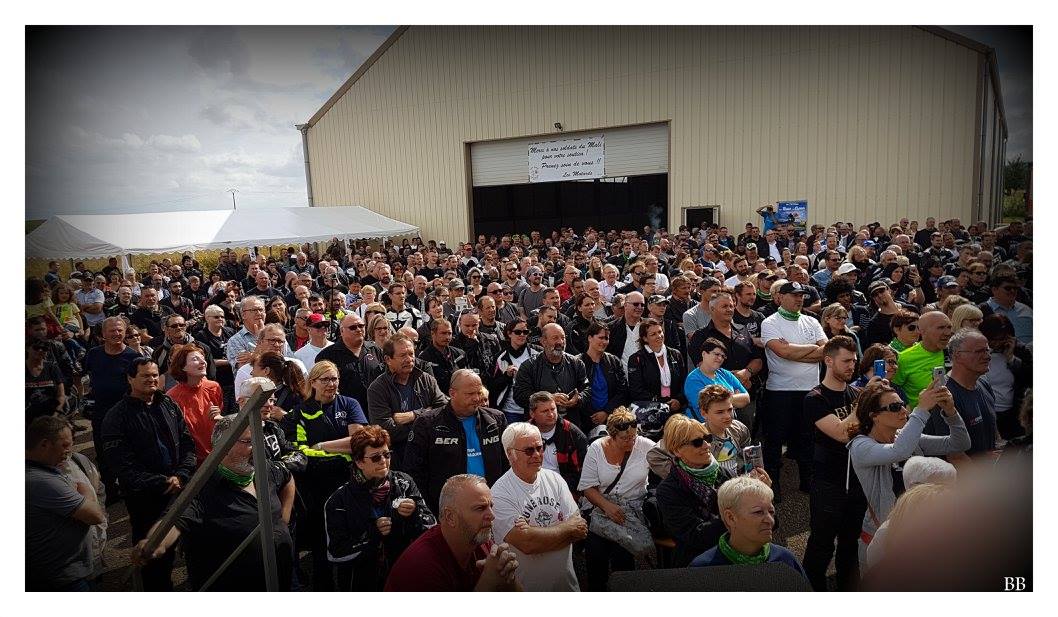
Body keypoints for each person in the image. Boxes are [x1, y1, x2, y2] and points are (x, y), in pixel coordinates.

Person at [131, 415, 296, 591]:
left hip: (280, 579)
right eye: (248, 441)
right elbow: (173, 521)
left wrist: (283, 520)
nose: (258, 447)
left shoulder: (265, 468)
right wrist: (154, 544)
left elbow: (287, 478)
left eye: (259, 439)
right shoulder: (201, 488)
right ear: (223, 447)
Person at [99, 358, 197, 591]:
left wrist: (181, 474)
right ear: (130, 379)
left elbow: (187, 442)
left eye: (154, 375)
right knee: (154, 560)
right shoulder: (116, 417)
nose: (152, 380)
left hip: (180, 488)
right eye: (145, 376)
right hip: (145, 498)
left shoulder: (168, 404)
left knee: (190, 546)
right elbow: (121, 464)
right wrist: (161, 482)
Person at [848, 381, 970, 563]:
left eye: (902, 404)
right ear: (874, 416)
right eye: (895, 407)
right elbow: (900, 451)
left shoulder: (906, 438)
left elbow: (959, 444)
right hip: (881, 543)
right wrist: (921, 409)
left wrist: (950, 411)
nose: (904, 411)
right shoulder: (860, 446)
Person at [324, 426, 435, 590]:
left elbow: (431, 527)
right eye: (376, 457)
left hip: (402, 577)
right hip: (362, 584)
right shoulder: (338, 501)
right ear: (359, 462)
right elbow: (335, 554)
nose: (383, 461)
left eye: (387, 454)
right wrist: (372, 534)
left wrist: (415, 513)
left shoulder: (404, 483)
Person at [655, 414, 770, 566]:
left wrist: (761, 495)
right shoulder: (669, 491)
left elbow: (770, 524)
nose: (707, 446)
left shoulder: (722, 473)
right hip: (700, 561)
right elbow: (695, 536)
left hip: (738, 550)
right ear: (677, 451)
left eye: (707, 438)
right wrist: (739, 516)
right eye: (697, 442)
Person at [801, 335, 868, 591]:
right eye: (846, 361)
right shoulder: (815, 398)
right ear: (828, 361)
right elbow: (841, 433)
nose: (852, 366)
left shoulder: (857, 393)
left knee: (850, 545)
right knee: (821, 545)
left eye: (854, 360)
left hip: (857, 481)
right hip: (828, 483)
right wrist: (862, 404)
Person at [294, 360, 368, 590]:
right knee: (320, 542)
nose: (331, 384)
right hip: (316, 485)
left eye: (334, 379)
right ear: (313, 382)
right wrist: (337, 448)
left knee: (351, 537)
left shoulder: (349, 404)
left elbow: (357, 442)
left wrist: (321, 445)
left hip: (347, 481)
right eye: (325, 379)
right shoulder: (302, 410)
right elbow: (301, 449)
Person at [491, 422, 587, 591]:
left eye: (540, 448)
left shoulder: (555, 479)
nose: (537, 454)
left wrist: (535, 534)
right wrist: (567, 529)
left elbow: (580, 530)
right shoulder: (499, 493)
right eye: (529, 450)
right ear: (510, 454)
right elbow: (528, 544)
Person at [384, 474, 522, 591]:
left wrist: (508, 576)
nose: (492, 515)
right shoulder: (421, 566)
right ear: (450, 517)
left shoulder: (479, 540)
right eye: (480, 508)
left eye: (491, 506)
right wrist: (489, 582)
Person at [404, 369, 509, 514]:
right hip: (447, 509)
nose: (477, 398)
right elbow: (414, 470)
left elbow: (507, 464)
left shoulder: (496, 420)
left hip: (491, 505)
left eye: (479, 392)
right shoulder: (427, 423)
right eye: (470, 394)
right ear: (452, 393)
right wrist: (426, 508)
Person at [760, 281, 826, 497]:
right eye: (794, 295)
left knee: (808, 438)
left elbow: (826, 351)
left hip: (810, 390)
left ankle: (807, 481)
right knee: (775, 440)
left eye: (802, 295)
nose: (799, 299)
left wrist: (793, 351)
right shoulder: (770, 322)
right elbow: (783, 352)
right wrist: (811, 350)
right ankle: (773, 484)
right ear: (780, 297)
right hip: (780, 391)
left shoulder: (812, 321)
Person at [578, 408, 656, 590]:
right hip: (600, 509)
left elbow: (667, 457)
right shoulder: (596, 449)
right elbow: (587, 488)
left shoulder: (646, 446)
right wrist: (607, 507)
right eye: (625, 438)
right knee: (596, 554)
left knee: (623, 556)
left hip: (632, 511)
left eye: (633, 436)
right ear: (611, 436)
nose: (631, 441)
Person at [26, 416, 106, 591]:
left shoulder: (46, 470)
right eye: (64, 445)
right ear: (45, 444)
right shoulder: (41, 481)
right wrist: (86, 491)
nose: (69, 451)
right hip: (63, 579)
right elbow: (95, 515)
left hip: (72, 572)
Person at [689, 476, 806, 578]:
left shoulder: (785, 560)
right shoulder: (703, 569)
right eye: (758, 512)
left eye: (771, 512)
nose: (770, 520)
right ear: (730, 517)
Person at [83, 316, 142, 494]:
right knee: (103, 452)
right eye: (112, 331)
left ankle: (129, 487)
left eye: (120, 330)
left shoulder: (134, 357)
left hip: (126, 413)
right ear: (103, 334)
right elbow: (86, 375)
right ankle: (110, 489)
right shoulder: (94, 354)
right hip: (101, 412)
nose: (116, 334)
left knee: (128, 451)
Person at [923, 329, 997, 457]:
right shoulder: (944, 395)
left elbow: (992, 428)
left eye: (987, 350)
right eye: (979, 351)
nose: (987, 356)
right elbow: (954, 456)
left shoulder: (983, 383)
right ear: (957, 355)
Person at [513, 323, 591, 430]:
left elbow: (587, 388)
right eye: (555, 338)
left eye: (563, 338)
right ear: (543, 341)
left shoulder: (576, 363)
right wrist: (548, 399)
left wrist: (578, 399)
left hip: (570, 425)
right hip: (539, 428)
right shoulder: (529, 366)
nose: (560, 342)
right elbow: (519, 395)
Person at [166, 342, 224, 465]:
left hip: (218, 457)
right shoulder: (171, 397)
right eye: (195, 359)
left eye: (203, 358)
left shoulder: (214, 387)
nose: (203, 362)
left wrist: (220, 418)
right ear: (183, 367)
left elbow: (219, 421)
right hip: (192, 463)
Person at [314, 313, 383, 412]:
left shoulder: (375, 350)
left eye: (361, 326)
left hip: (375, 410)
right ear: (342, 331)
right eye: (353, 327)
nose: (358, 329)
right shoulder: (327, 355)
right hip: (344, 412)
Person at [526, 391, 587, 496]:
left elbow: (582, 472)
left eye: (553, 409)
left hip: (564, 491)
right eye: (545, 411)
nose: (551, 414)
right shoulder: (523, 434)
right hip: (530, 489)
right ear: (532, 414)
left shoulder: (573, 434)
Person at [891, 310, 952, 409]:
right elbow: (894, 390)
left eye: (949, 327)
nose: (948, 333)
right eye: (940, 328)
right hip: (921, 416)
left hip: (953, 413)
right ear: (922, 331)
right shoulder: (904, 358)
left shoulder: (957, 353)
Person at [628, 317, 688, 414]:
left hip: (676, 409)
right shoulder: (636, 359)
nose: (659, 336)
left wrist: (679, 400)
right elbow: (636, 391)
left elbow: (684, 381)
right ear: (645, 338)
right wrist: (662, 403)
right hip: (650, 412)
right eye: (653, 334)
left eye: (660, 332)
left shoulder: (676, 354)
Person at [578, 321, 630, 430]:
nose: (604, 342)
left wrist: (607, 412)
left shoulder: (614, 361)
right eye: (601, 338)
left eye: (606, 338)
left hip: (612, 419)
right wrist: (591, 416)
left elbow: (622, 391)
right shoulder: (577, 362)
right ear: (590, 338)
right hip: (584, 421)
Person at [683, 338, 749, 421]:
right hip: (703, 426)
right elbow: (708, 407)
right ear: (704, 354)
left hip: (728, 423)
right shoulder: (693, 379)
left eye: (723, 356)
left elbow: (746, 398)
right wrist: (733, 399)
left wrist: (723, 399)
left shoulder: (725, 373)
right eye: (717, 354)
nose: (720, 358)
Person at [489, 318, 541, 423]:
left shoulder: (537, 353)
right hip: (510, 410)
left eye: (525, 332)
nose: (522, 335)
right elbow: (493, 386)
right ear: (509, 334)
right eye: (518, 332)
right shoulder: (500, 357)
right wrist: (506, 376)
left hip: (533, 409)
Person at [695, 385, 752, 477]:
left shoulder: (739, 429)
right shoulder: (696, 437)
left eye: (730, 410)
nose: (727, 416)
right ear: (704, 413)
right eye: (720, 412)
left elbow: (748, 460)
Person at [977, 274, 1032, 346]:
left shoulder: (1026, 309)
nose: (1012, 291)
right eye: (1008, 288)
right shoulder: (981, 311)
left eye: (1015, 288)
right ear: (994, 290)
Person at [418, 316, 467, 393]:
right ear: (433, 334)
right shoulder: (424, 358)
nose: (447, 337)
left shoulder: (460, 354)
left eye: (449, 333)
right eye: (443, 333)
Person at [26, 337, 67, 423]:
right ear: (27, 348)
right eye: (36, 347)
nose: (40, 350)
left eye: (44, 348)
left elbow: (61, 395)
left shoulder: (52, 368)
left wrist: (55, 414)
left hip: (51, 414)